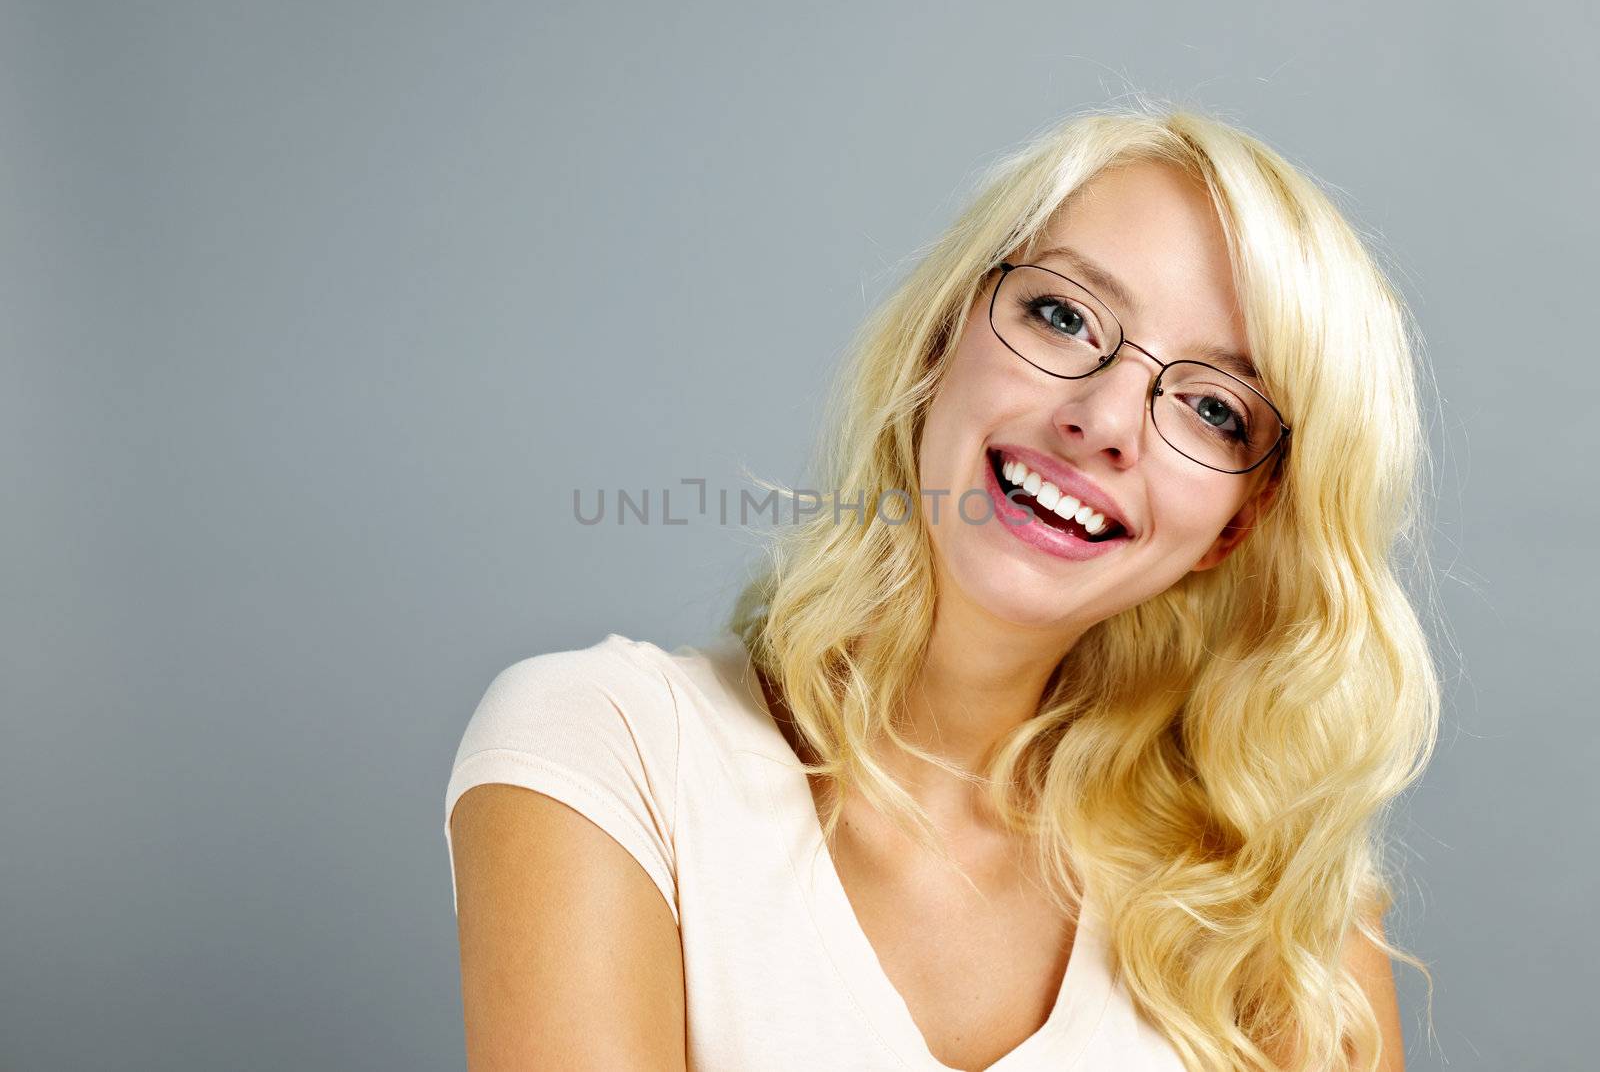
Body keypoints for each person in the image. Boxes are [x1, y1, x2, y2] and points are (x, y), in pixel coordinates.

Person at [444, 104, 1439, 1071]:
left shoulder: (1280, 920)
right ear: (944, 334)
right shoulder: (610, 751)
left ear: (1238, 521)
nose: (1102, 420)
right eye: (1063, 315)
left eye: (1213, 406)